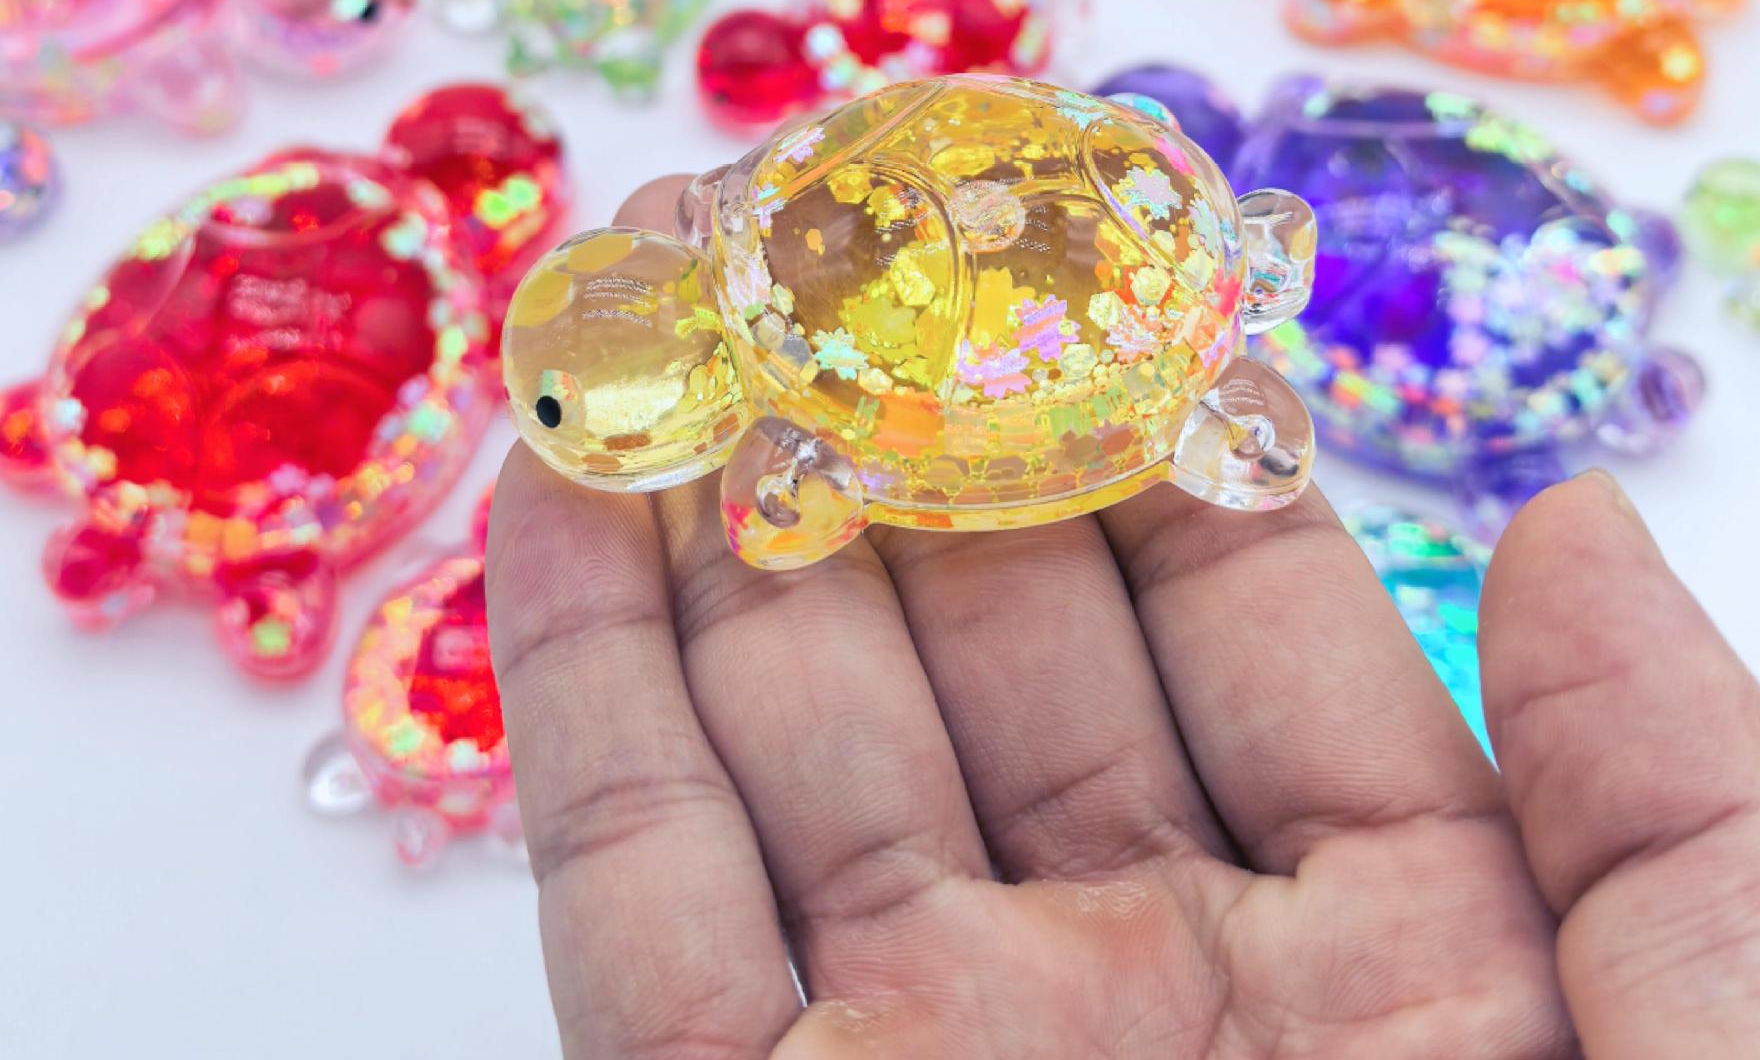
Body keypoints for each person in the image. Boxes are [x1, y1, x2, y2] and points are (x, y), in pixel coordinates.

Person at [489, 178, 1760, 1059]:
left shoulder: (786, 393)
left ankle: (1195, 388)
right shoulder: (771, 304)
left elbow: (788, 514)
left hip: (1100, 300)